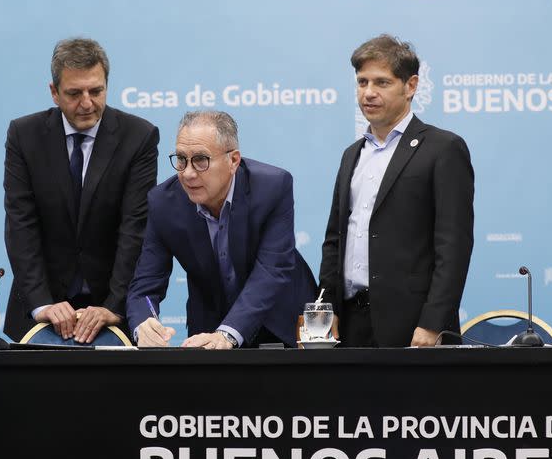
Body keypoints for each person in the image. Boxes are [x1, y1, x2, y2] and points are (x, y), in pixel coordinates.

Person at [319, 34, 474, 348]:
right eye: (362, 83)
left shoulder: (443, 148)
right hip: (350, 326)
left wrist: (433, 324)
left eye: (382, 83)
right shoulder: (352, 154)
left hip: (415, 327)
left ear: (411, 86)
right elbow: (335, 239)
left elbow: (453, 247)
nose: (369, 93)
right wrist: (328, 309)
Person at [3, 38, 159, 344]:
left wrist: (113, 306)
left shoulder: (139, 137)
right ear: (54, 92)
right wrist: (42, 303)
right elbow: (21, 223)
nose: (87, 103)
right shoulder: (24, 135)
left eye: (96, 91)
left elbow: (135, 228)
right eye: (74, 93)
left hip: (112, 314)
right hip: (38, 314)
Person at [127, 111, 317, 349]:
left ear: (233, 161)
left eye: (200, 160)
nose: (187, 173)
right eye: (181, 159)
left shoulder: (272, 187)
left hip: (280, 321)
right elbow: (145, 285)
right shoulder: (164, 203)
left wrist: (228, 334)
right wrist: (145, 323)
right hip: (208, 329)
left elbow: (271, 270)